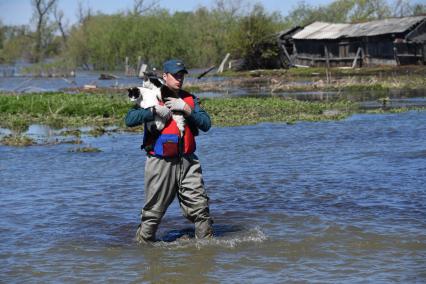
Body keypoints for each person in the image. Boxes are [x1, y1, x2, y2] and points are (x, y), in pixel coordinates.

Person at [125, 59, 214, 242]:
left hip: (188, 162)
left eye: (182, 75)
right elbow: (129, 119)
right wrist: (153, 111)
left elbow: (206, 124)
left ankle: (206, 250)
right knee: (153, 213)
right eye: (175, 75)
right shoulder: (150, 96)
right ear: (165, 76)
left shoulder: (189, 99)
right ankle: (143, 250)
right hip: (160, 163)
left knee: (201, 209)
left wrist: (187, 109)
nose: (179, 79)